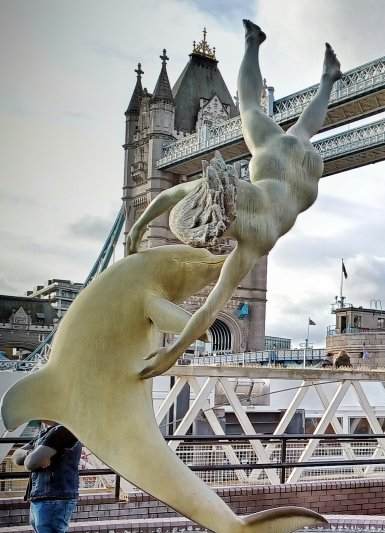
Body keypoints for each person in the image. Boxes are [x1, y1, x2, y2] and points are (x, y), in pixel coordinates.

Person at [126, 19, 344, 379]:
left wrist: (173, 351)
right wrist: (137, 230)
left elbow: (208, 311)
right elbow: (169, 193)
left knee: (300, 128)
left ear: (217, 234)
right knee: (253, 111)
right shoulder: (231, 193)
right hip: (274, 160)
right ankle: (256, 45)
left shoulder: (252, 244)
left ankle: (325, 77)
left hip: (307, 179)